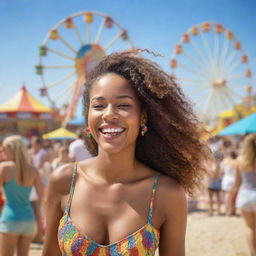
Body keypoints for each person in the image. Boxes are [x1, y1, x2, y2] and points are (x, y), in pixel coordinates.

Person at [42, 50, 208, 255]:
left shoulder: (167, 193)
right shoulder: (64, 181)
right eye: (99, 105)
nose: (109, 114)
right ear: (88, 116)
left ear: (143, 117)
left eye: (123, 105)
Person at [0, 135, 44, 256]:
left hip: (10, 219)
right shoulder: (33, 170)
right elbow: (42, 195)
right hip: (29, 220)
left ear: (11, 149)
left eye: (4, 149)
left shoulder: (4, 168)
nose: (2, 152)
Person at [234, 134, 256, 256]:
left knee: (249, 228)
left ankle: (253, 253)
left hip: (244, 196)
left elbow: (237, 182)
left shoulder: (240, 160)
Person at [220, 151, 237, 216]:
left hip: (225, 178)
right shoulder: (234, 162)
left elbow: (221, 171)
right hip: (232, 179)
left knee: (228, 196)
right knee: (230, 196)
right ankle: (229, 210)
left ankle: (228, 210)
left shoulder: (225, 161)